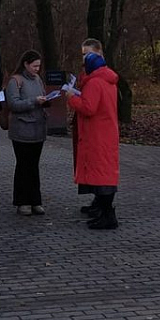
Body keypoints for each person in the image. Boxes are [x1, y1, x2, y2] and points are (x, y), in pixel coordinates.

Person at [66, 38, 121, 230]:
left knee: (101, 175)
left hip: (97, 134)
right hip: (105, 133)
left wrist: (71, 98)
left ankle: (107, 215)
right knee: (104, 173)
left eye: (87, 56)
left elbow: (89, 108)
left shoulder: (95, 82)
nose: (84, 60)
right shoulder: (107, 80)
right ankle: (103, 211)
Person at [6, 50, 50, 215]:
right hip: (22, 131)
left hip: (38, 129)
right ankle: (22, 201)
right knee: (24, 166)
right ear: (25, 64)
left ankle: (35, 200)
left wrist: (45, 101)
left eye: (39, 66)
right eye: (34, 66)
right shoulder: (15, 81)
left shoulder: (38, 79)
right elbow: (13, 104)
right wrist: (34, 101)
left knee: (34, 166)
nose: (37, 69)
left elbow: (42, 95)